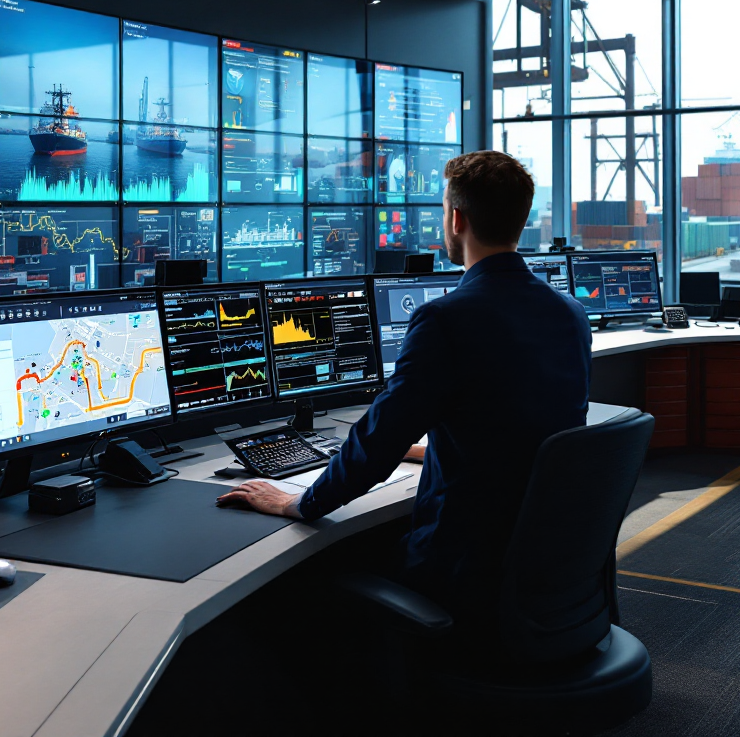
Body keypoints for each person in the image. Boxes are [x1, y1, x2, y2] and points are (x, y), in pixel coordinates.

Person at [217, 150, 591, 625]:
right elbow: (511, 426)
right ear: (522, 218)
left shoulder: (446, 318)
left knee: (303, 578)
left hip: (460, 567)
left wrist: (298, 502)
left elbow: (378, 443)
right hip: (539, 565)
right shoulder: (569, 313)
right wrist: (425, 448)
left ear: (456, 219)